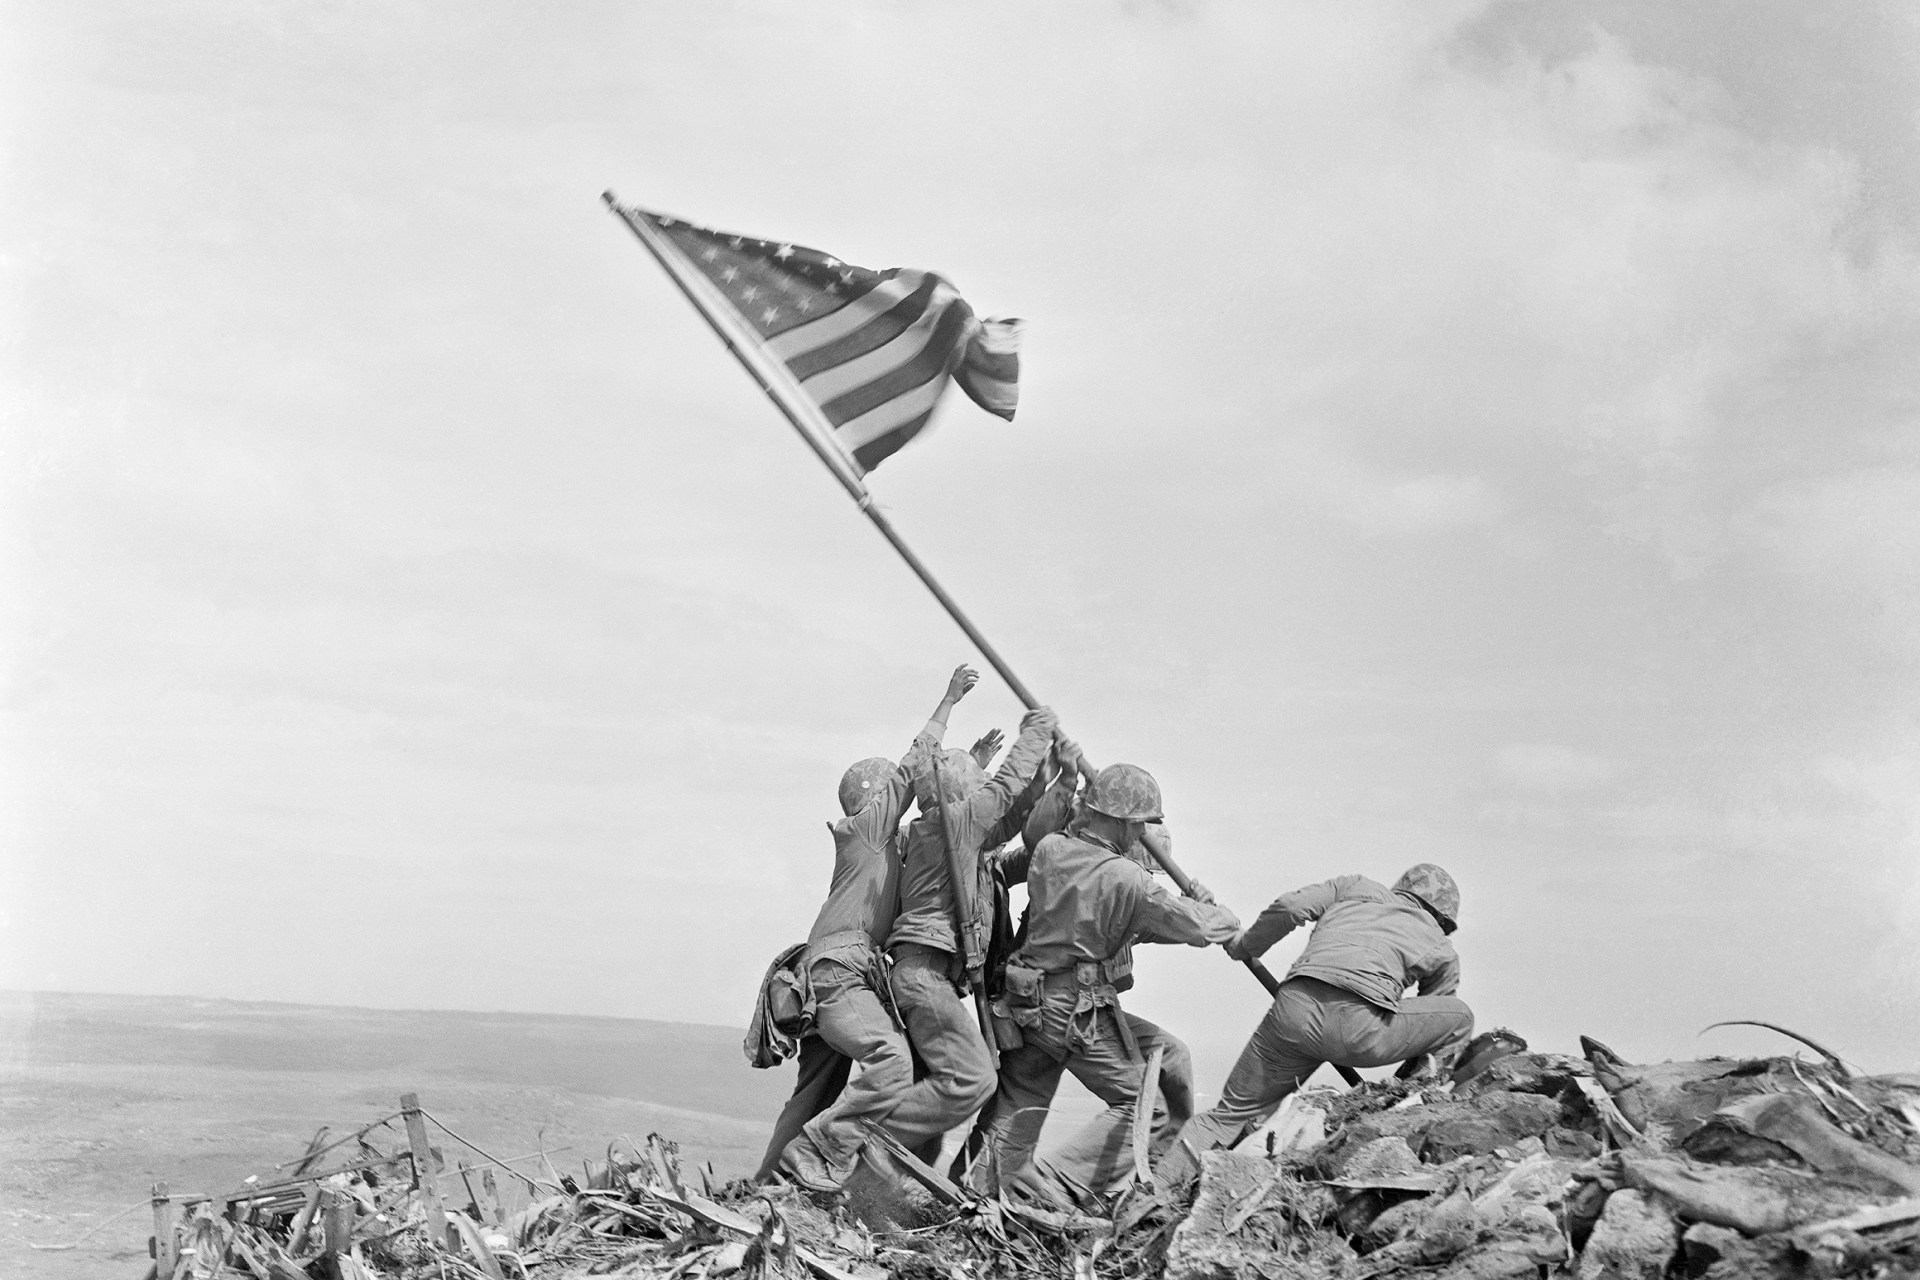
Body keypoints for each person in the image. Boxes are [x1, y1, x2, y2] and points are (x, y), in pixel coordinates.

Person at [958, 762, 1241, 1207]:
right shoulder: (1129, 880)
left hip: (1027, 1003)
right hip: (1074, 1010)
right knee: (1144, 1110)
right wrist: (1217, 912)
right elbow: (1200, 929)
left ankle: (974, 1193)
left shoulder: (1051, 851)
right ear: (1127, 822)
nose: (1141, 834)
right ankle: (1047, 1186)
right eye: (1140, 825)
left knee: (1019, 1104)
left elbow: (1115, 919)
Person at [760, 665, 979, 1191]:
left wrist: (974, 767)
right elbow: (913, 770)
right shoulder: (863, 832)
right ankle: (819, 1159)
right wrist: (947, 703)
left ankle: (766, 1186)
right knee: (890, 1060)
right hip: (840, 974)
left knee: (815, 1092)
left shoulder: (881, 849)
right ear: (875, 798)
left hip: (827, 976)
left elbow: (940, 815)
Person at [1159, 863, 1475, 1185]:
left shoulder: (1355, 886)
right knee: (1460, 1017)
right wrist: (1396, 1089)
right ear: (1443, 918)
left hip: (1293, 1013)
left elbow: (1290, 907)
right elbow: (1430, 1029)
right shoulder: (1440, 946)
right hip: (1360, 1030)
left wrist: (1246, 946)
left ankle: (1152, 1191)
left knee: (1226, 1115)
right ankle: (1407, 1105)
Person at [878, 702, 1061, 1171]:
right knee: (974, 1080)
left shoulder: (954, 835)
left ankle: (878, 1186)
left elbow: (1013, 815)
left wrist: (1050, 776)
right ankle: (863, 1137)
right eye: (976, 789)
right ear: (962, 793)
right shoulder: (950, 825)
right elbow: (1004, 792)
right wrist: (1037, 731)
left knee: (935, 1117)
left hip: (931, 978)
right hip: (924, 977)